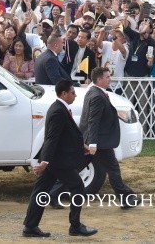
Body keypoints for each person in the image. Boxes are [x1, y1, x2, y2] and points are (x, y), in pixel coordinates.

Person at [22, 79, 97, 238]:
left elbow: (65, 135)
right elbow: (52, 138)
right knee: (77, 187)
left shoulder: (59, 108)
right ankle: (75, 226)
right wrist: (45, 162)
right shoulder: (58, 111)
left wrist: (82, 146)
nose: (75, 95)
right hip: (58, 162)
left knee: (40, 192)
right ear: (64, 93)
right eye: (72, 92)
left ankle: (30, 227)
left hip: (54, 160)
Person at [80, 67, 137, 208]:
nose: (109, 79)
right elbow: (93, 120)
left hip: (96, 140)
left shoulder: (93, 91)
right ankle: (127, 198)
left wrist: (114, 113)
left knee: (77, 166)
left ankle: (54, 193)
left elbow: (97, 115)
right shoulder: (97, 96)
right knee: (113, 169)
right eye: (107, 77)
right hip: (100, 141)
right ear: (99, 79)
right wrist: (93, 143)